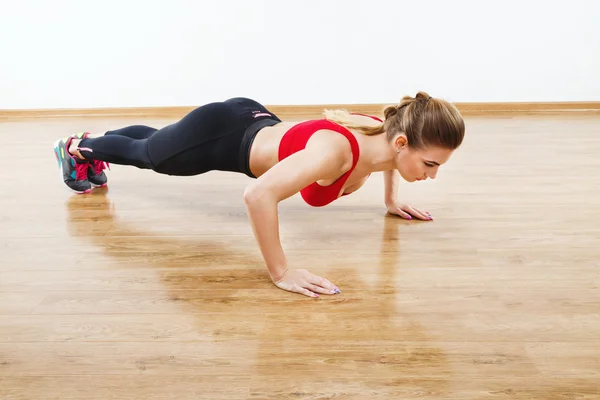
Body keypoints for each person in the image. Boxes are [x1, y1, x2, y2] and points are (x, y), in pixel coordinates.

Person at [52, 91, 465, 298]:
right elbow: (258, 196)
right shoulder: (336, 152)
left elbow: (391, 159)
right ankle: (76, 147)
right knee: (151, 155)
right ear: (402, 144)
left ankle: (99, 140)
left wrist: (391, 201)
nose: (432, 175)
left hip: (250, 120)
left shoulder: (386, 133)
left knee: (160, 144)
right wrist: (282, 273)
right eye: (430, 164)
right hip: (223, 135)